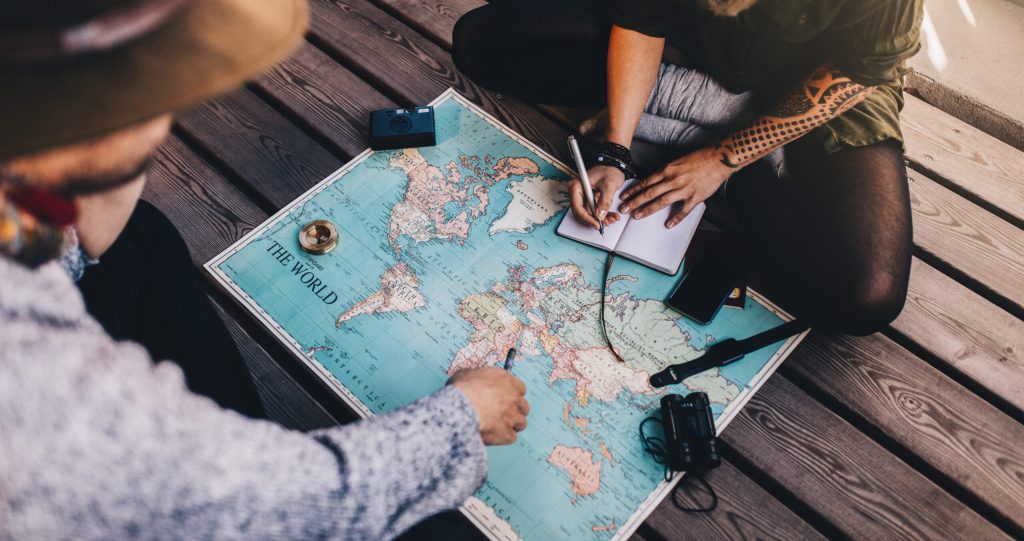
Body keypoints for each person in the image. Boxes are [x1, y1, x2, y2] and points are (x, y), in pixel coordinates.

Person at [0, 1, 528, 539]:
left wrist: (67, 201)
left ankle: (232, 427)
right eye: (151, 91)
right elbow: (298, 507)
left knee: (138, 237)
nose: (168, 117)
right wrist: (464, 416)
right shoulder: (41, 397)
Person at [452, 0, 922, 335]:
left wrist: (724, 159)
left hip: (819, 84)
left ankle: (704, 125)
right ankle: (704, 112)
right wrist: (616, 151)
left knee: (864, 297)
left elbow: (864, 68)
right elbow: (641, 17)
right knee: (483, 41)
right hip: (695, 41)